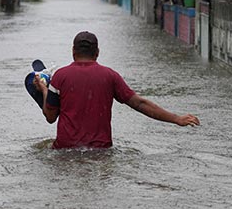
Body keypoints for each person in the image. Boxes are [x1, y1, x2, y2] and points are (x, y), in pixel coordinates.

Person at [34, 31, 199, 149]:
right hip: (101, 151)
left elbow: (50, 117)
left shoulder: (60, 77)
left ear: (73, 51)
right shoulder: (110, 76)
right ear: (97, 52)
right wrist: (177, 119)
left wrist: (44, 90)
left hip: (65, 151)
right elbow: (140, 104)